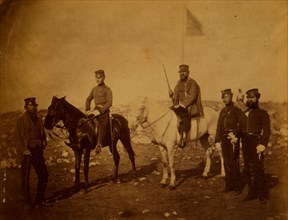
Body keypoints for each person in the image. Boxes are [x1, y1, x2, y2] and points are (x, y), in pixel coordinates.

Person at [16, 97, 48, 208]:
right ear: (26, 107)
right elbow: (18, 137)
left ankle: (39, 200)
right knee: (25, 178)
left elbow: (42, 134)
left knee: (44, 175)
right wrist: (24, 149)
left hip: (38, 151)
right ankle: (27, 202)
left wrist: (44, 141)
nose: (33, 107)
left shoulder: (39, 119)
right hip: (27, 151)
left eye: (34, 105)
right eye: (31, 105)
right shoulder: (21, 119)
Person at [240, 88, 271, 204]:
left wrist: (263, 144)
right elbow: (240, 129)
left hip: (256, 142)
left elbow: (267, 130)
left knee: (258, 168)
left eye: (252, 97)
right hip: (245, 142)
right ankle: (251, 193)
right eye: (248, 97)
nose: (250, 100)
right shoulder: (244, 113)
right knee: (248, 167)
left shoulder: (263, 113)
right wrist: (235, 136)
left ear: (257, 98)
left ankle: (262, 195)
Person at [168, 64, 204, 148]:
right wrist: (172, 95)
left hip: (191, 106)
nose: (182, 74)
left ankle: (184, 137)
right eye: (180, 72)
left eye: (184, 72)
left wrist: (182, 105)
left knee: (184, 116)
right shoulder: (178, 83)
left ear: (188, 72)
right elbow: (176, 97)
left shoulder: (193, 83)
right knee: (169, 112)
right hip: (180, 106)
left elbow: (191, 97)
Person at [215, 89, 242, 192]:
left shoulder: (236, 110)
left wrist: (235, 135)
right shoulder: (222, 111)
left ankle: (238, 186)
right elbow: (219, 127)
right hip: (224, 138)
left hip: (233, 139)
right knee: (226, 162)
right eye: (223, 97)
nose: (225, 99)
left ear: (231, 96)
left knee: (234, 162)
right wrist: (217, 140)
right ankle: (229, 185)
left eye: (227, 96)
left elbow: (241, 124)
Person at [85, 69, 112, 154]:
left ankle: (99, 144)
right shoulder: (94, 89)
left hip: (104, 112)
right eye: (96, 78)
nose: (97, 79)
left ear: (104, 77)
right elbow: (88, 99)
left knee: (101, 124)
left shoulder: (107, 89)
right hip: (94, 110)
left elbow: (109, 102)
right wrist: (88, 109)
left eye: (99, 77)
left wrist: (100, 111)